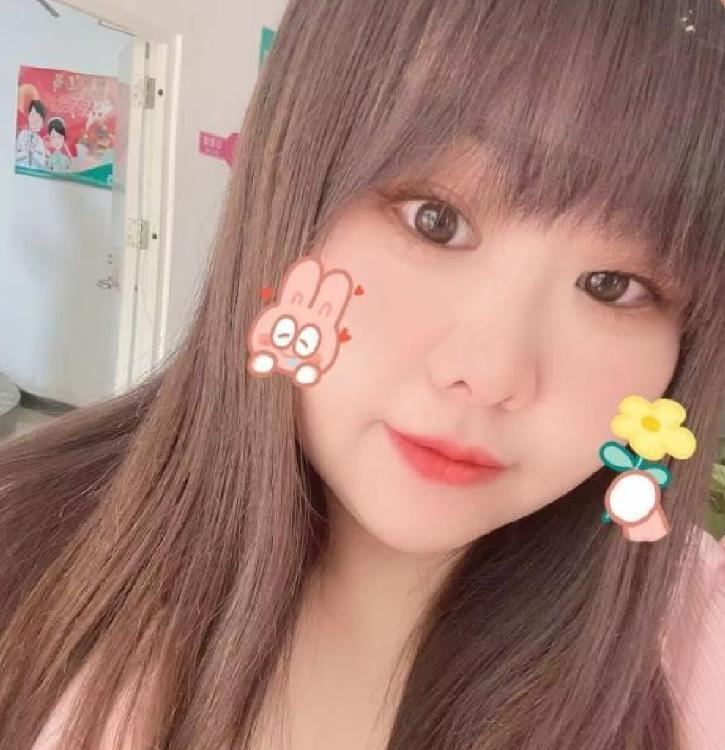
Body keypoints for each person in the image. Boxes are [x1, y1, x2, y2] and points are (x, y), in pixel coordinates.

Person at [1, 1, 724, 749]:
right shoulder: (21, 553)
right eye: (434, 219)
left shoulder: (697, 655)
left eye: (612, 286)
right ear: (292, 186)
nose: (488, 374)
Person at [15, 99, 49, 170]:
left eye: (38, 119)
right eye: (33, 116)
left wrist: (34, 153)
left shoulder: (40, 141)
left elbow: (43, 163)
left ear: (42, 123)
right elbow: (14, 155)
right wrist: (25, 152)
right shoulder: (22, 135)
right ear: (28, 116)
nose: (34, 121)